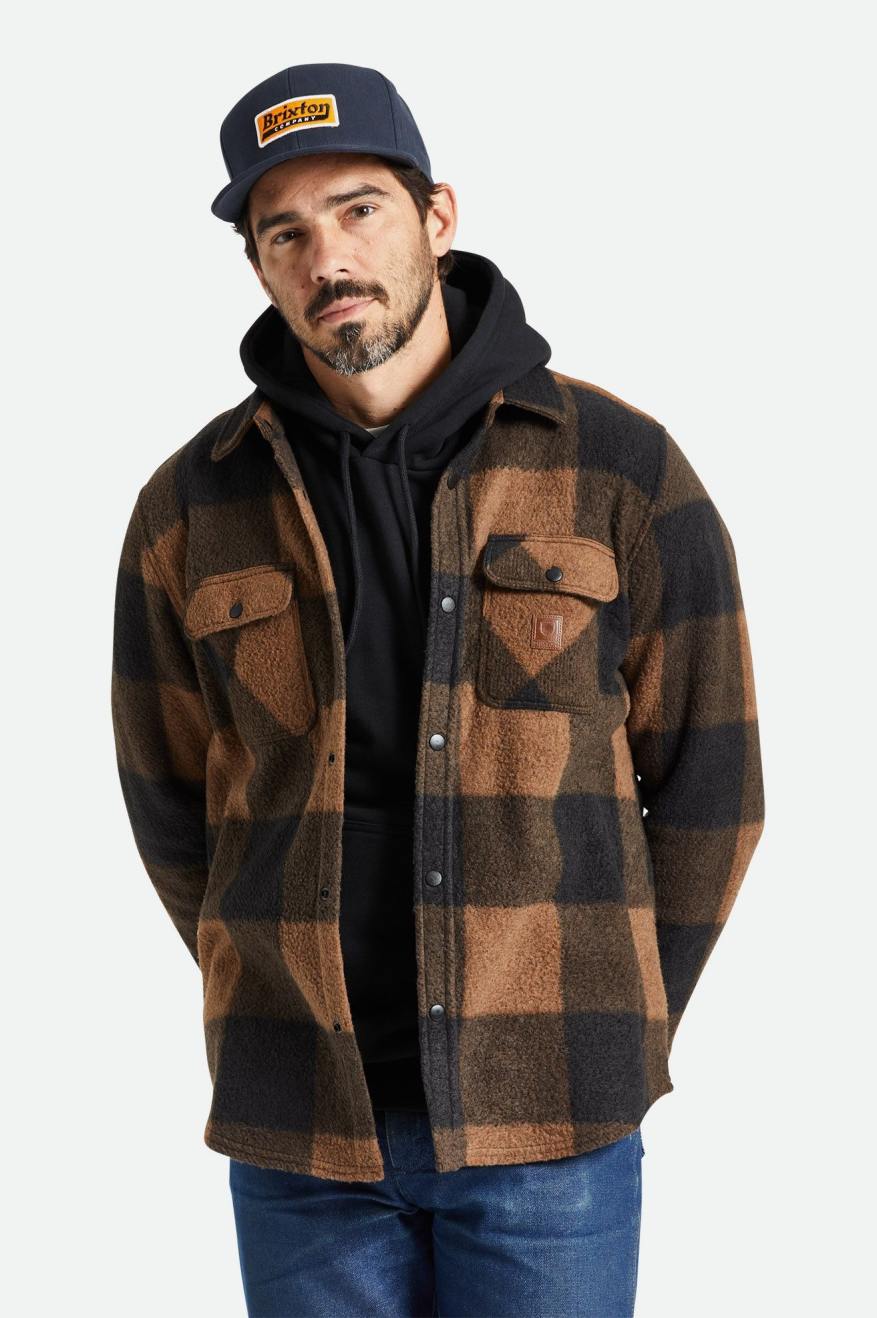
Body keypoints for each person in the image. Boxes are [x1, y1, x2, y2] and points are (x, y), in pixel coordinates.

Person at [110, 61, 766, 1318]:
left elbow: (712, 789)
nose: (328, 259)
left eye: (358, 210)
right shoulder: (190, 505)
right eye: (284, 234)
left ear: (437, 216)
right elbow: (170, 799)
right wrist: (271, 977)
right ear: (259, 268)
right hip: (301, 1133)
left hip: (552, 1126)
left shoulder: (621, 470)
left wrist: (608, 1016)